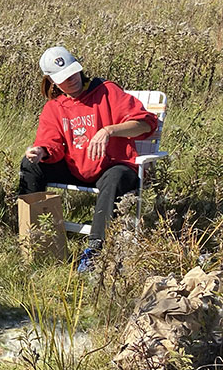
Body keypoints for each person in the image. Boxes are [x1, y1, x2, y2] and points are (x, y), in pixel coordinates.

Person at [19, 46, 156, 269]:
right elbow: (52, 144)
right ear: (52, 81)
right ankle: (33, 236)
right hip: (77, 168)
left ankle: (95, 252)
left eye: (73, 72)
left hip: (113, 167)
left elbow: (144, 123)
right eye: (63, 78)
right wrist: (41, 151)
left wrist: (109, 130)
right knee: (30, 164)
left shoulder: (106, 91)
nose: (71, 79)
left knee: (115, 178)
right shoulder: (55, 107)